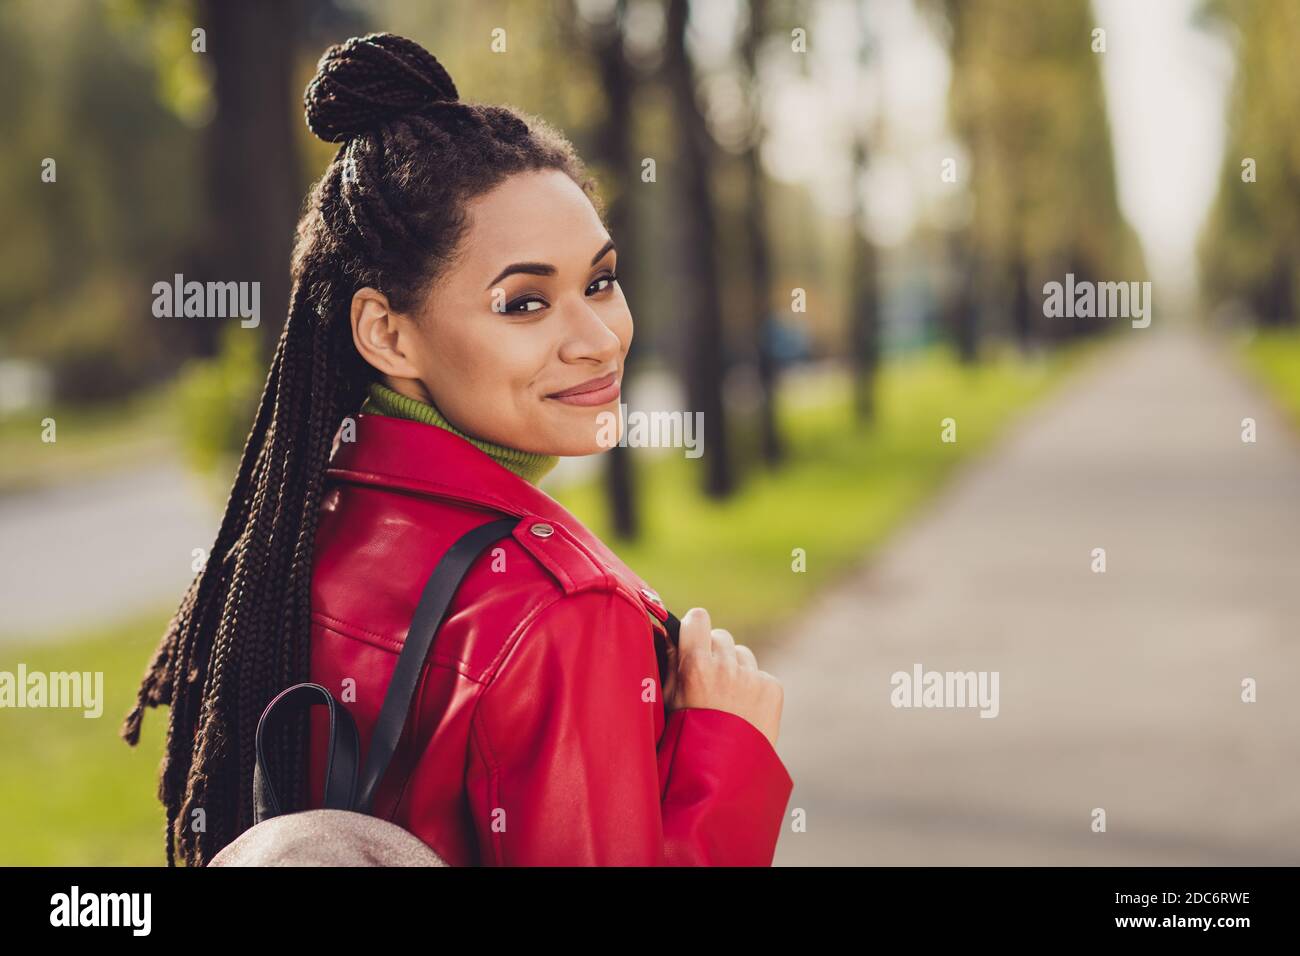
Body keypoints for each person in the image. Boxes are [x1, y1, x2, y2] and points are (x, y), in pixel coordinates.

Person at [122, 32, 792, 867]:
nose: (596, 339)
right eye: (524, 303)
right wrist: (726, 755)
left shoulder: (305, 524)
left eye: (599, 281)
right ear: (388, 334)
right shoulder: (566, 613)